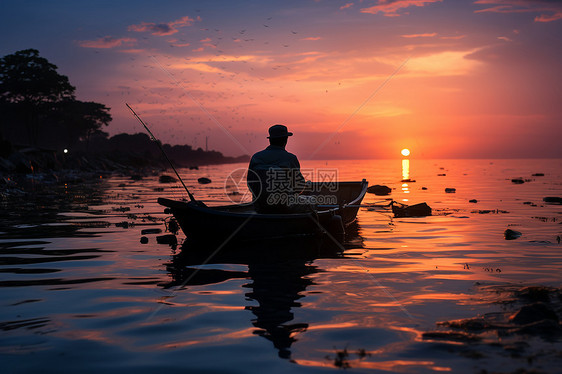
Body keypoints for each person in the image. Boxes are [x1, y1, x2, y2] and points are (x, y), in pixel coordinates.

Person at [247, 124, 309, 213]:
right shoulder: (290, 158)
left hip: (260, 209)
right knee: (312, 200)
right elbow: (299, 187)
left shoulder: (256, 157)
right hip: (286, 208)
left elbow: (251, 185)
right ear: (285, 140)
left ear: (270, 140)